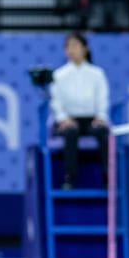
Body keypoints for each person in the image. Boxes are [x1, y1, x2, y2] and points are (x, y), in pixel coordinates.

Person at [49, 32, 111, 189]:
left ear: (85, 48)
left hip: (92, 120)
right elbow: (55, 101)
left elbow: (103, 98)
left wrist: (101, 116)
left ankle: (108, 178)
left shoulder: (97, 74)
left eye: (75, 46)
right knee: (70, 132)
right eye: (68, 47)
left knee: (103, 132)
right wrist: (63, 118)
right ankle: (70, 178)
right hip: (69, 120)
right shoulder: (59, 75)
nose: (71, 50)